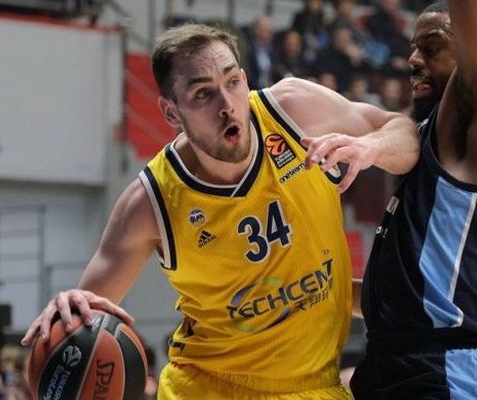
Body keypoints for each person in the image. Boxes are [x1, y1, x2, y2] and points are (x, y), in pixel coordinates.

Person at [21, 23, 419, 399]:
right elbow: (78, 323)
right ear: (171, 113)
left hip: (315, 385)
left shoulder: (295, 111)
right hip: (206, 388)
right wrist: (69, 308)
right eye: (202, 94)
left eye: (232, 82)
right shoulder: (150, 202)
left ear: (246, 79)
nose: (227, 105)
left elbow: (402, 130)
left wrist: (372, 147)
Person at [317, 0, 477, 398]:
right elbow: (407, 301)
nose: (414, 60)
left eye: (432, 47)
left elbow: (476, 15)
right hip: (394, 362)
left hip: (448, 370)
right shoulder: (433, 143)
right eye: (413, 48)